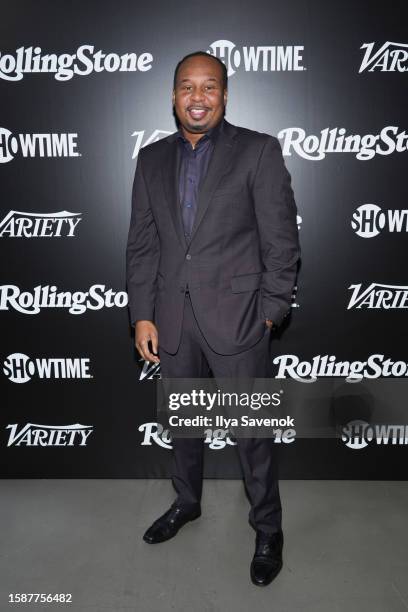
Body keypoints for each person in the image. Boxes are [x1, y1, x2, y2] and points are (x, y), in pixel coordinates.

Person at [126, 50, 300, 586]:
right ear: (173, 95)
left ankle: (268, 528)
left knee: (253, 434)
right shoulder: (151, 160)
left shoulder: (259, 151)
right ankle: (187, 503)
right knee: (182, 425)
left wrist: (270, 313)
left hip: (240, 319)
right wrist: (142, 315)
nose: (197, 97)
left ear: (225, 95)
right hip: (173, 320)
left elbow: (282, 241)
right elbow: (143, 245)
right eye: (187, 87)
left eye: (209, 87)